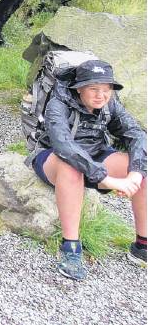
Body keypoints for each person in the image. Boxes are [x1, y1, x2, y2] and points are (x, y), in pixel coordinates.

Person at [30, 59, 147, 279]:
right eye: (94, 89)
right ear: (79, 88)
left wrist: (135, 174)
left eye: (106, 89)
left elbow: (137, 135)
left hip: (96, 154)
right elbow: (64, 146)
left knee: (143, 170)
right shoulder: (58, 103)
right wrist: (108, 180)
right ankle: (71, 248)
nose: (101, 95)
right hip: (53, 158)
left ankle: (142, 245)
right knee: (71, 167)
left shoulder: (110, 104)